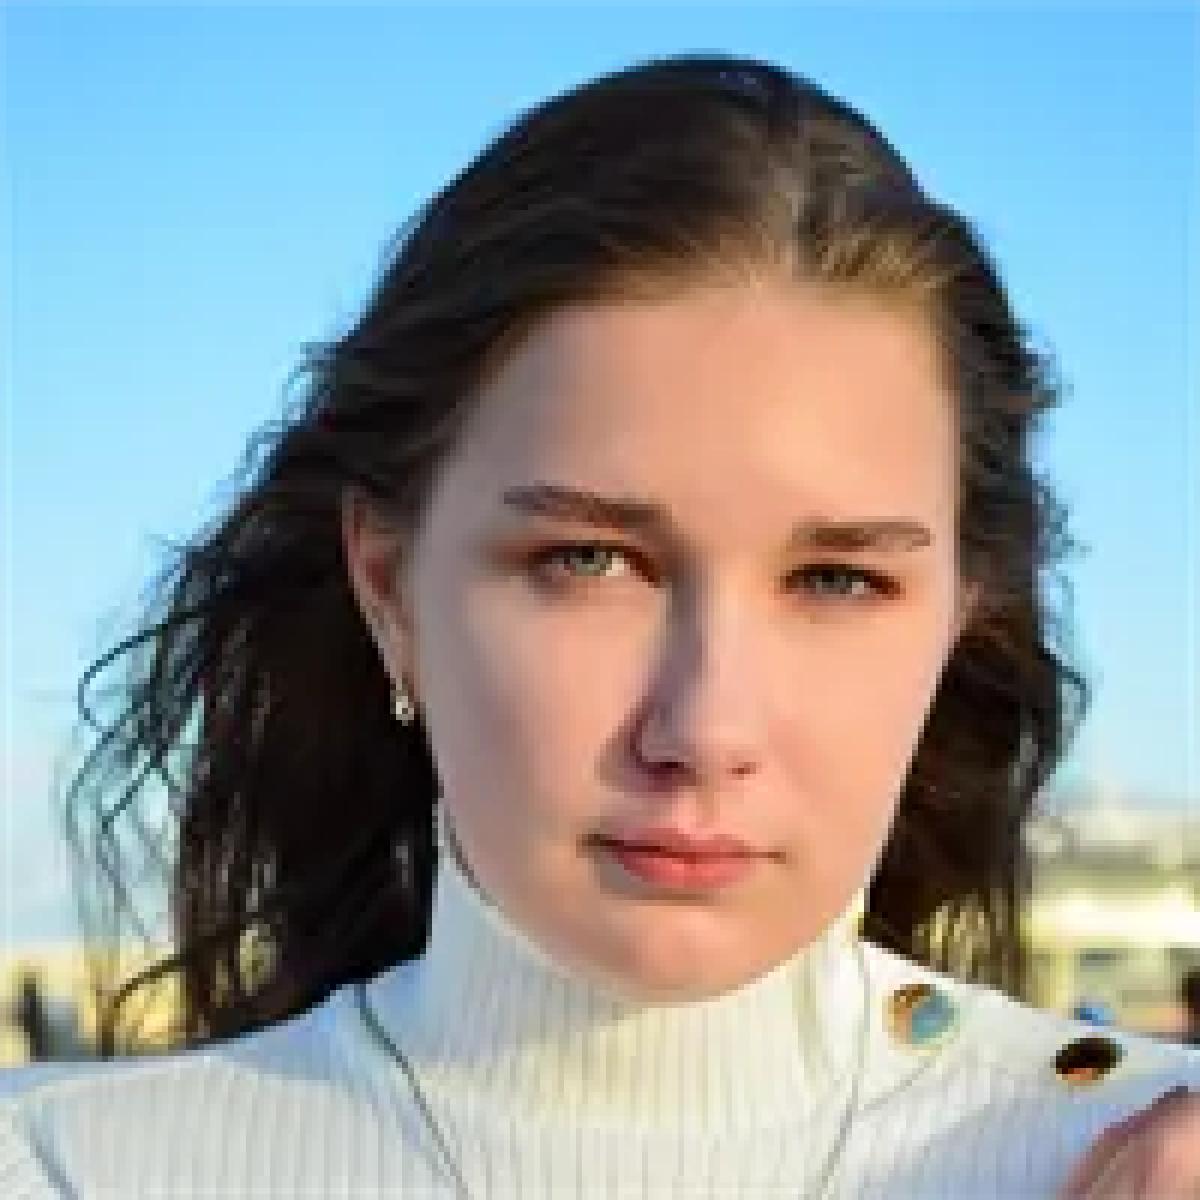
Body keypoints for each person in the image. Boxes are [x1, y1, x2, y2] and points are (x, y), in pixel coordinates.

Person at [2, 53, 1197, 1199]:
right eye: (589, 561)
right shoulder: (67, 1170)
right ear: (388, 586)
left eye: (838, 580)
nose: (707, 729)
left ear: (958, 619)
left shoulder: (1124, 1147)